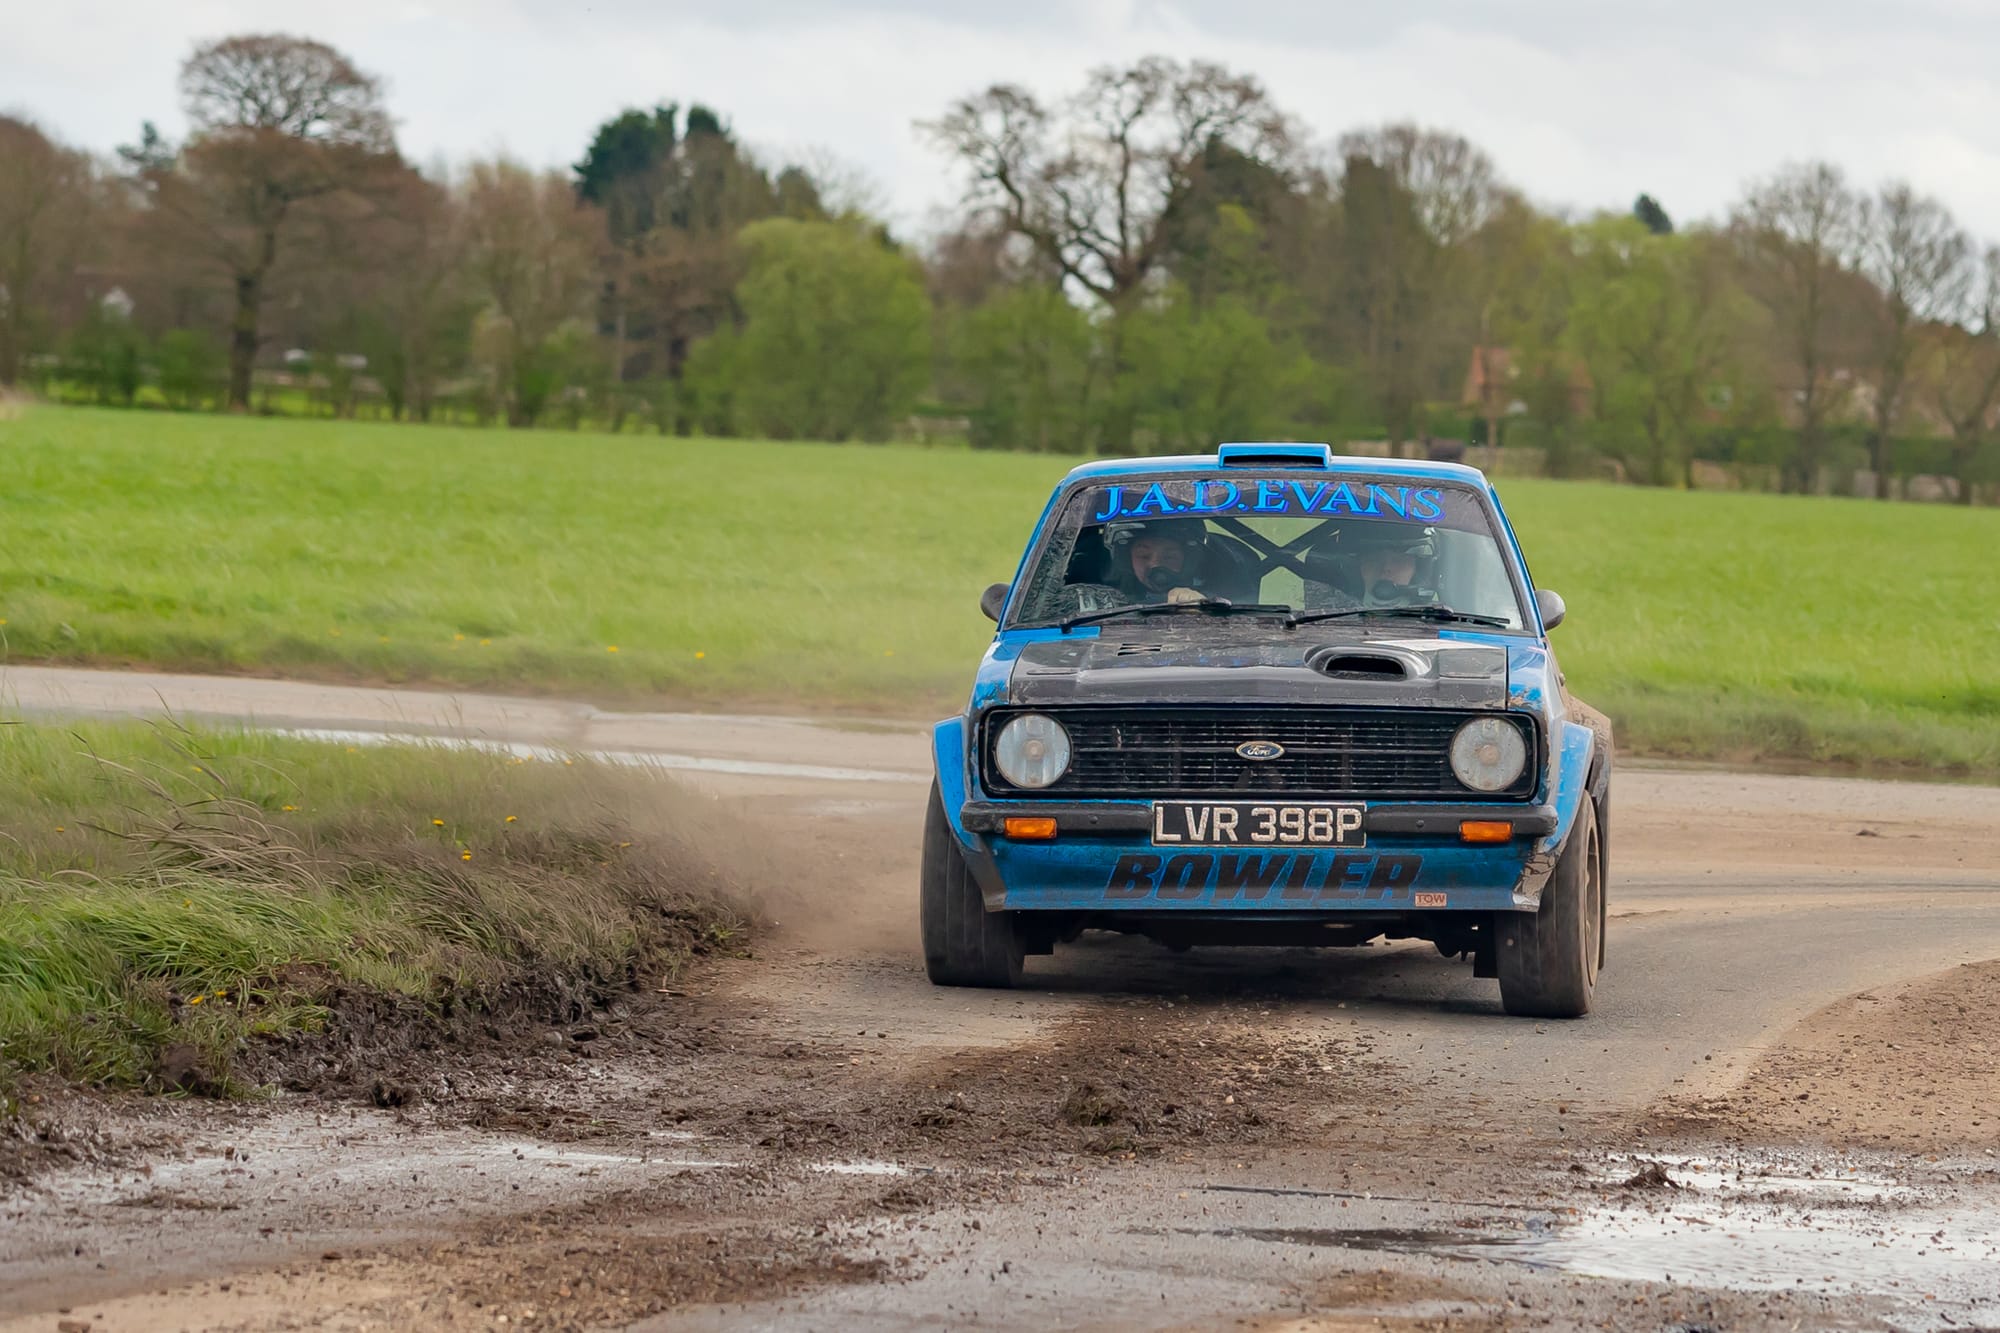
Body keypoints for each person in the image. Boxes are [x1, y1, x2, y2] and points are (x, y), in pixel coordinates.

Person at [1101, 518, 1255, 603]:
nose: (1155, 564)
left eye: (1169, 557)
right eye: (1143, 556)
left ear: (1189, 560)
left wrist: (1205, 606)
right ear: (1126, 559)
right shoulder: (1101, 595)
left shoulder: (1227, 589)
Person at [1307, 521, 1439, 609]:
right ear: (1354, 570)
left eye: (1399, 560)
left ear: (1419, 569)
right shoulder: (1320, 621)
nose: (1385, 569)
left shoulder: (1449, 623)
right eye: (1373, 560)